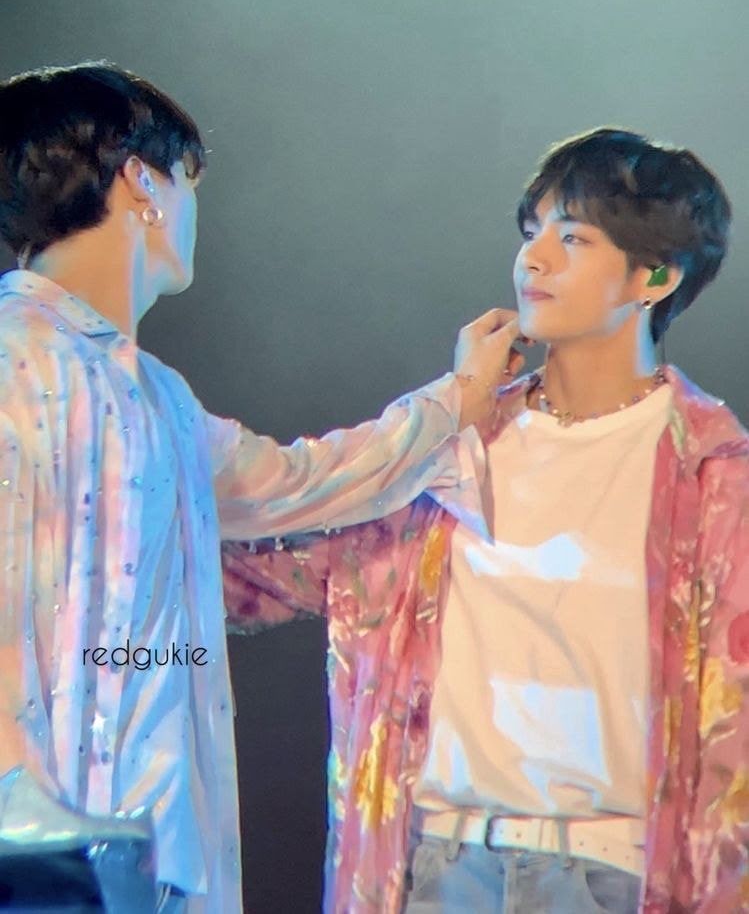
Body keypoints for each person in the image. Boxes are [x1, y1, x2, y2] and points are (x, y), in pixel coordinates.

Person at [0, 61, 523, 913]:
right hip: (41, 849)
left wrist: (456, 402)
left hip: (153, 840)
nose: (193, 210)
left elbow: (294, 483)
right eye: (187, 180)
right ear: (141, 182)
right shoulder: (18, 359)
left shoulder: (158, 397)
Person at [223, 127, 749, 914]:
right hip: (435, 864)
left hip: (610, 874)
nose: (533, 259)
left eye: (572, 238)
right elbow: (265, 565)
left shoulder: (712, 475)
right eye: (530, 232)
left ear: (655, 275)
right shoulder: (453, 443)